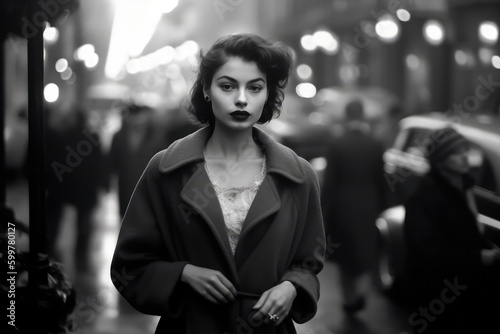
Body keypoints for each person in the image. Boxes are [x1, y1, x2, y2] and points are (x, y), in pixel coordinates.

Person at [110, 33, 326, 334]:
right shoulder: (167, 169)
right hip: (191, 326)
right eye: (227, 86)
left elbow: (308, 263)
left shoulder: (297, 176)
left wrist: (292, 287)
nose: (241, 98)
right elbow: (128, 267)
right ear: (207, 90)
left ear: (267, 95)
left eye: (254, 87)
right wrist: (183, 273)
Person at [404, 126, 500, 333]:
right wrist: (477, 257)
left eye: (465, 150)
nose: (464, 157)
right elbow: (424, 251)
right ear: (439, 161)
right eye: (456, 153)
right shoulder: (423, 199)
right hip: (438, 295)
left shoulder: (465, 187)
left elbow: (470, 232)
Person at [321, 99, 388, 314]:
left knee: (344, 255)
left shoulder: (337, 143)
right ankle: (361, 292)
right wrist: (383, 205)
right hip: (368, 203)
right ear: (363, 116)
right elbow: (381, 179)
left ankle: (349, 297)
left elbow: (329, 182)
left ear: (347, 116)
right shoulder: (375, 144)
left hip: (342, 205)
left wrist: (323, 211)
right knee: (366, 251)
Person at [45, 107, 104, 271]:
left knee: (56, 215)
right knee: (83, 221)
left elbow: (59, 161)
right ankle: (81, 250)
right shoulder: (92, 137)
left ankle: (50, 243)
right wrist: (99, 182)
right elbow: (99, 163)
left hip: (66, 185)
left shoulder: (64, 136)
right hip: (86, 187)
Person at [107, 102, 169, 218]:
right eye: (133, 114)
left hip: (149, 188)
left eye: (140, 114)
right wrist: (106, 183)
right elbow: (112, 162)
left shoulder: (157, 136)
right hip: (126, 187)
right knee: (126, 219)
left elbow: (164, 162)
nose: (137, 119)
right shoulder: (119, 136)